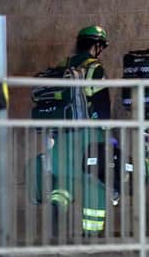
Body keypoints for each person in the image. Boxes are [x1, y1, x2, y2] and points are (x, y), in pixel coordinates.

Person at [46, 25, 112, 236]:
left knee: (65, 179)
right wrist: (107, 133)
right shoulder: (94, 68)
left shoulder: (63, 66)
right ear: (97, 45)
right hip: (88, 134)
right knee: (95, 182)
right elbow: (102, 104)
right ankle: (91, 233)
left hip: (61, 133)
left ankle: (57, 211)